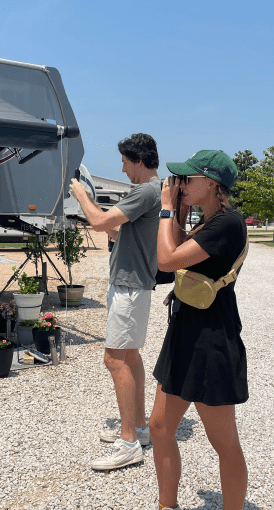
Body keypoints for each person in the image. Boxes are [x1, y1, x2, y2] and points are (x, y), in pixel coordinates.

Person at [124, 150, 249, 510]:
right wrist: (176, 211)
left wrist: (164, 209)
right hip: (184, 336)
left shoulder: (228, 224)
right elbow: (170, 265)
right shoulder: (209, 222)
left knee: (224, 442)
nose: (178, 184)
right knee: (160, 425)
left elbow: (166, 256)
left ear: (212, 183)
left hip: (211, 342)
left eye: (186, 179)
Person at [69, 133, 163, 470]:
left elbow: (98, 221)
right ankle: (139, 429)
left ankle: (128, 444)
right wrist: (115, 231)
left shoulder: (147, 190)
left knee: (114, 359)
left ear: (138, 159)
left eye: (124, 161)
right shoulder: (153, 191)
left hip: (129, 287)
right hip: (134, 286)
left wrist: (80, 193)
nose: (122, 168)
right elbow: (119, 229)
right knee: (130, 355)